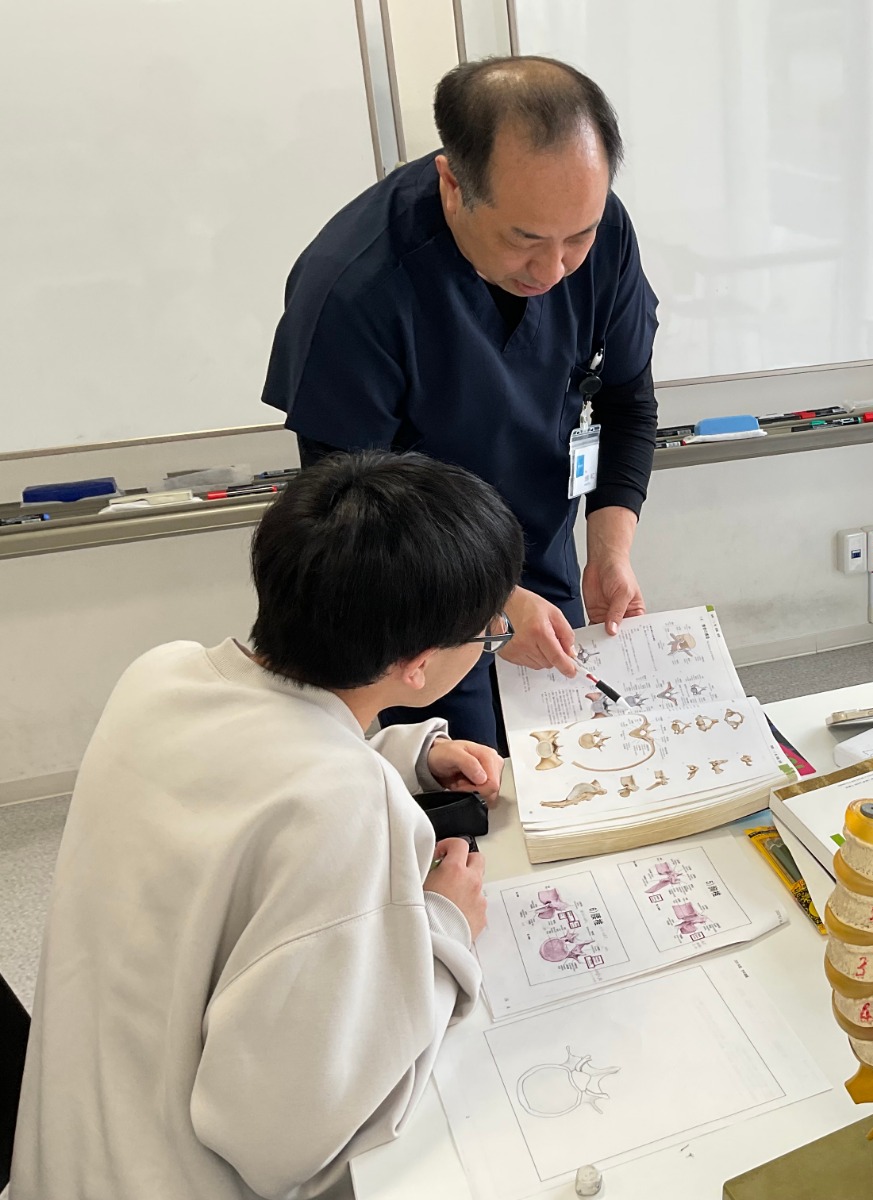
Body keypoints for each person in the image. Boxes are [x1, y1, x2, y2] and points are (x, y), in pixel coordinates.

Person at [13, 452, 521, 1199]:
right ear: (416, 665)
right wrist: (446, 927)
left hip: (63, 1162)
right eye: (488, 631)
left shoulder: (161, 674)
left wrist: (408, 755)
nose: (492, 636)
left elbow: (250, 773)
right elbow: (281, 1140)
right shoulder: (343, 805)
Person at [262, 56, 660, 749]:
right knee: (461, 775)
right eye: (524, 240)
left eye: (579, 238)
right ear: (453, 184)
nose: (555, 269)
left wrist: (609, 548)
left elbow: (627, 401)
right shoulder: (354, 288)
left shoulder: (598, 229)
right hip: (414, 588)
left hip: (542, 549)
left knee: (568, 752)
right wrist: (492, 605)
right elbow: (352, 516)